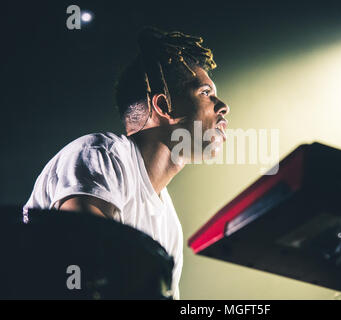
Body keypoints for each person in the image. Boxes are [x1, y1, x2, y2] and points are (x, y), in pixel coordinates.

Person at [22, 27, 230, 299]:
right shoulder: (100, 155)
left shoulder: (169, 225)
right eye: (205, 92)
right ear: (164, 105)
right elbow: (85, 268)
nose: (223, 105)